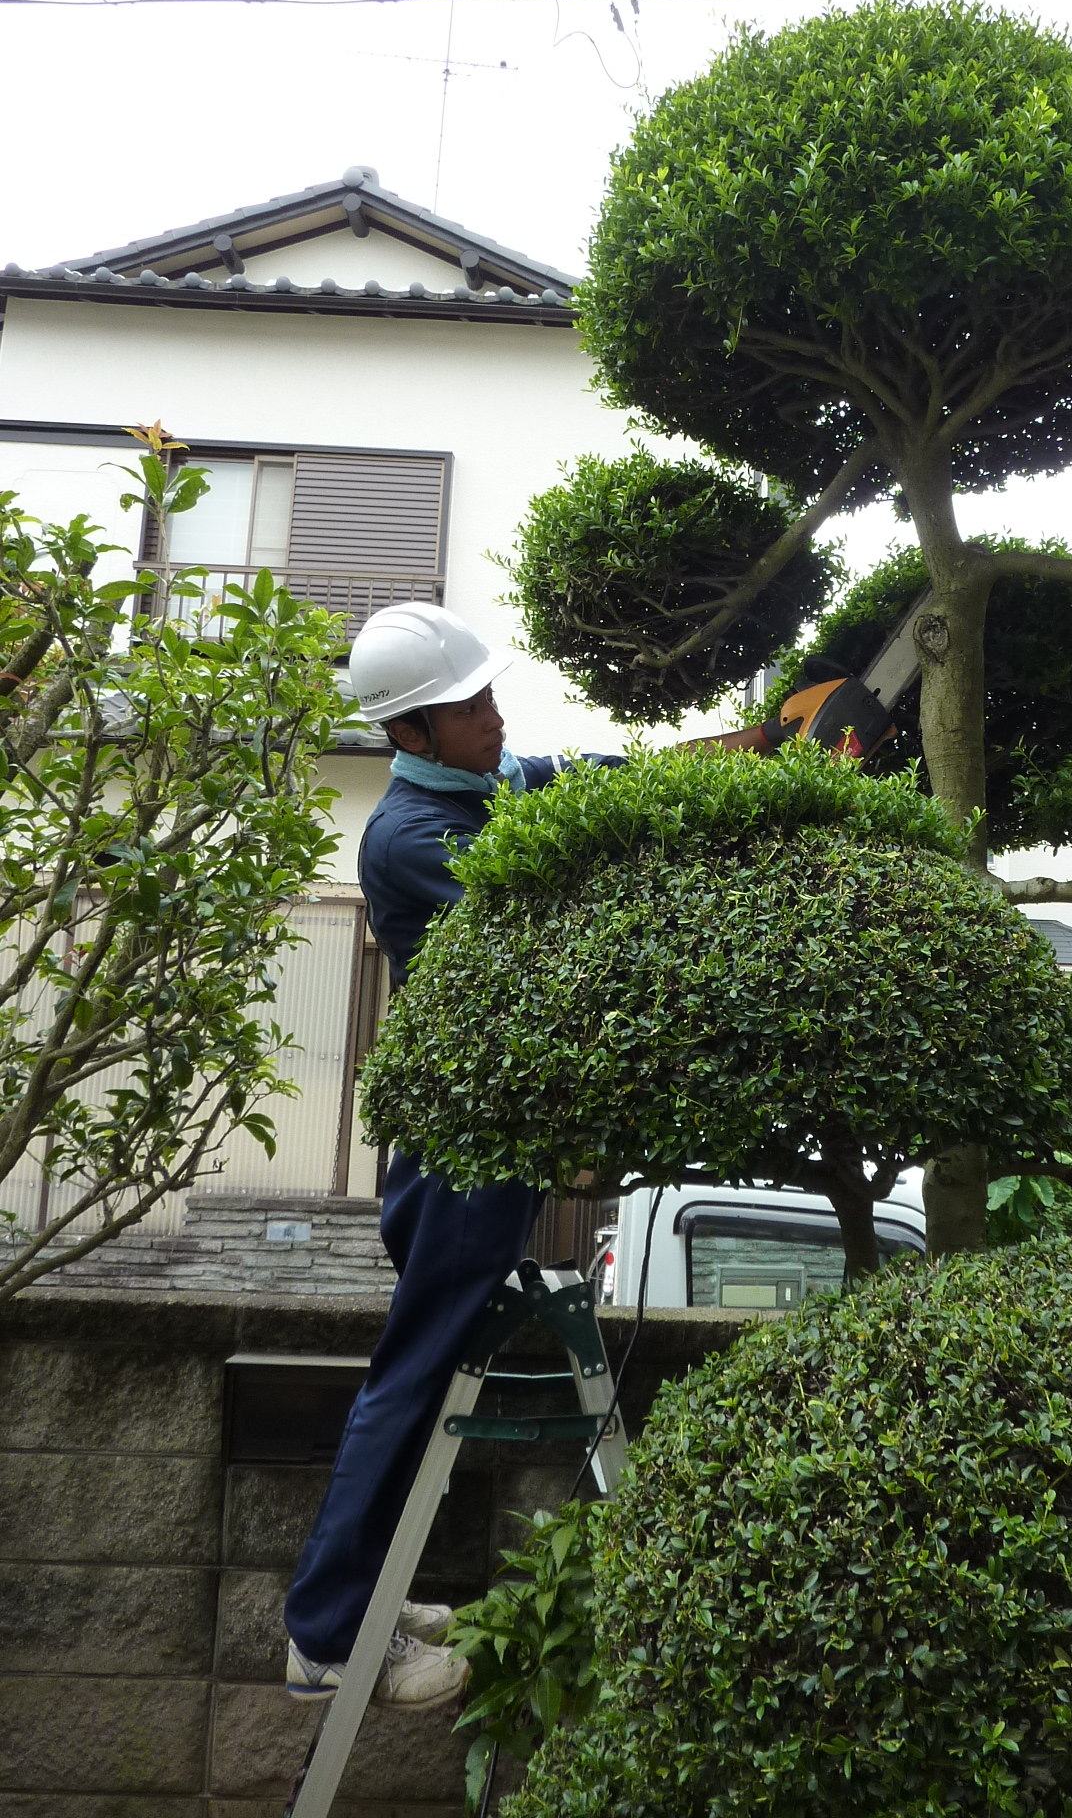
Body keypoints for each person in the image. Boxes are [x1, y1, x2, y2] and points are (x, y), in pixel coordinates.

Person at [284, 602, 622, 1711]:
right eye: (470, 705)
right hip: (459, 1150)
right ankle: (329, 1634)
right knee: (412, 1376)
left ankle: (368, 1594)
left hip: (485, 1137)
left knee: (421, 1376)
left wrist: (755, 748)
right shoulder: (412, 839)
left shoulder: (485, 785)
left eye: (487, 694)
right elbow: (549, 935)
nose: (496, 714)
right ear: (411, 735)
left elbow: (578, 770)